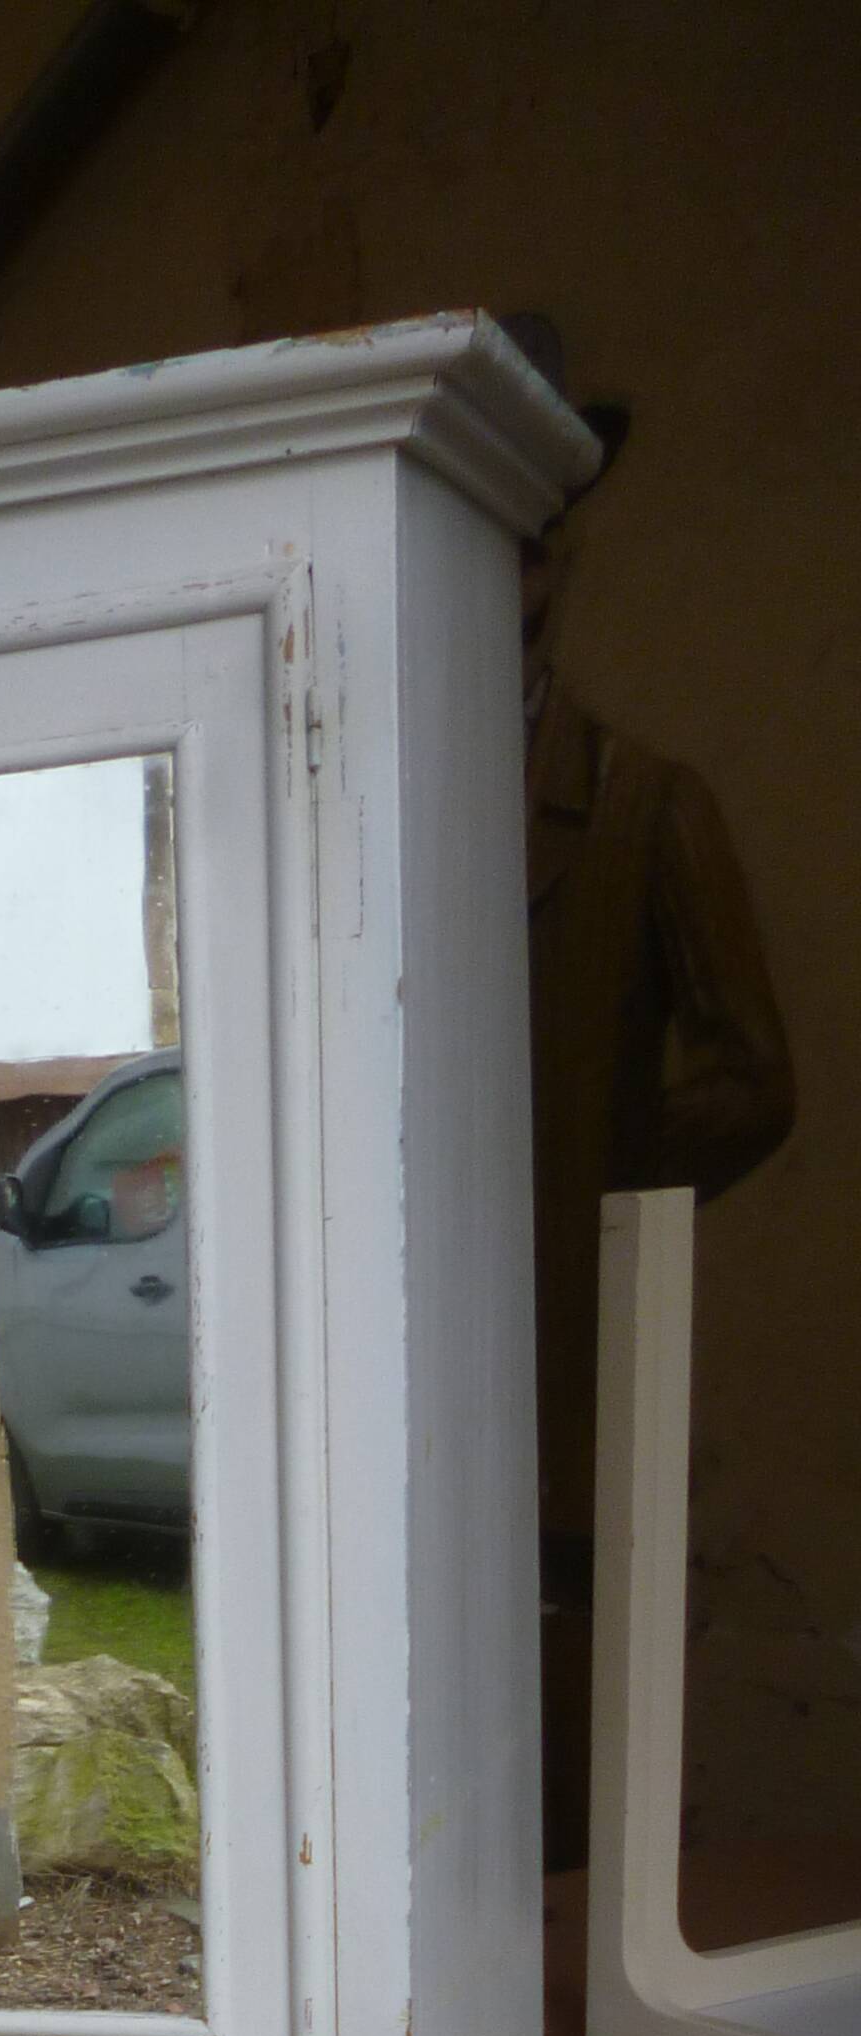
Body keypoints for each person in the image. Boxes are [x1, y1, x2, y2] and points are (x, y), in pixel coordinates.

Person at [504, 315, 797, 1866]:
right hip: (389, 1385)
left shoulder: (639, 808)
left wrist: (598, 1183)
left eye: (534, 554)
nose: (507, 590)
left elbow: (752, 1080)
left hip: (564, 1392)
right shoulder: (365, 809)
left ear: (565, 563)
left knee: (571, 1784)